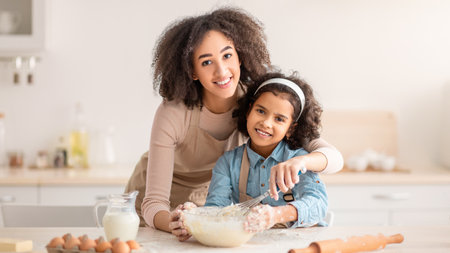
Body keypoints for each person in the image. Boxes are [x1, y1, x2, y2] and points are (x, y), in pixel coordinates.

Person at [124, 6, 343, 240]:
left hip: (200, 204)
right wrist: (173, 221)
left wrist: (301, 161)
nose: (222, 71)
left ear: (240, 56)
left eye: (227, 55)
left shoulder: (256, 102)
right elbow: (154, 202)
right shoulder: (174, 112)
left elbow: (333, 158)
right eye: (206, 62)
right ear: (192, 71)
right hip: (155, 210)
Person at [203, 71, 328, 234]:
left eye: (279, 119)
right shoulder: (228, 163)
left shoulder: (298, 159)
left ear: (290, 128)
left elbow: (319, 205)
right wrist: (194, 216)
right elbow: (215, 211)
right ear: (249, 111)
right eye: (261, 111)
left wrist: (277, 215)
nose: (266, 123)